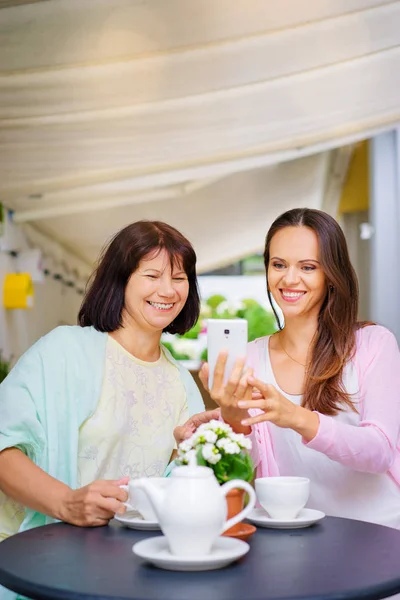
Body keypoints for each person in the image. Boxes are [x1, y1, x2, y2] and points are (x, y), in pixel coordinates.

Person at [0, 220, 216, 542]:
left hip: (131, 562)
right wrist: (66, 504)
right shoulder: (63, 350)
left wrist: (187, 457)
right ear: (120, 280)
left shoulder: (181, 382)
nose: (168, 290)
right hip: (39, 554)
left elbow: (173, 491)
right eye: (152, 275)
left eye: (179, 278)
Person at [200, 208, 400, 528]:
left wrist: (296, 417)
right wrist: (233, 420)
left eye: (308, 267)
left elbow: (379, 452)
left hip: (380, 534)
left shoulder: (373, 344)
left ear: (331, 275)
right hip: (297, 538)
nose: (289, 279)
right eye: (279, 265)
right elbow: (247, 472)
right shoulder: (250, 358)